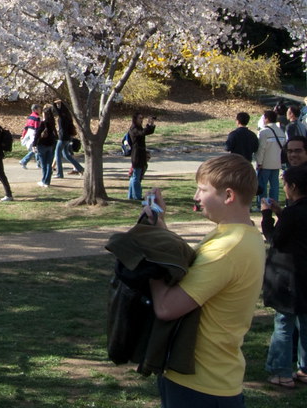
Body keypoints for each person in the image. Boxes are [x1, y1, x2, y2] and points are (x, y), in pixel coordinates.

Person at [143, 155, 265, 407]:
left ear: (228, 195)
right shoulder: (241, 235)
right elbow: (199, 270)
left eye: (203, 189)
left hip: (200, 384)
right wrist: (160, 224)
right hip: (215, 378)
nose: (196, 197)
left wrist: (153, 260)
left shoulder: (228, 248)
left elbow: (167, 308)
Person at [260, 164, 307, 388]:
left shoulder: (293, 213)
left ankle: (281, 372)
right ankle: (304, 368)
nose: (285, 188)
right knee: (305, 322)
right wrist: (281, 213)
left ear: (294, 187)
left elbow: (274, 238)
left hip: (290, 276)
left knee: (284, 323)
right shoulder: (294, 211)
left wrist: (266, 215)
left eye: (286, 184)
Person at [258, 109, 285, 208]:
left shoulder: (264, 132)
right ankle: (274, 203)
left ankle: (262, 204)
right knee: (275, 185)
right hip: (277, 162)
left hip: (265, 163)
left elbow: (261, 149)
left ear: (267, 119)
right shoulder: (281, 132)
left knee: (263, 185)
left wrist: (259, 162)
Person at [127, 112, 156, 201]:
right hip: (137, 155)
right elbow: (143, 133)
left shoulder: (138, 128)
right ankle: (137, 196)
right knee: (136, 176)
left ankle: (131, 196)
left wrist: (151, 123)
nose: (141, 120)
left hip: (140, 154)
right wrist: (148, 125)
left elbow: (148, 131)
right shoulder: (134, 128)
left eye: (142, 118)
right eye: (140, 118)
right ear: (135, 119)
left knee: (135, 176)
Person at [52, 99, 83, 177]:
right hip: (68, 137)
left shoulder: (62, 116)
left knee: (58, 154)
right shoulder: (68, 116)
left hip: (62, 138)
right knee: (66, 155)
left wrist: (54, 103)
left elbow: (56, 109)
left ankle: (60, 173)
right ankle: (80, 168)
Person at [34, 104, 58, 188]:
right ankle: (47, 181)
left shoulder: (43, 123)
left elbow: (37, 134)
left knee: (44, 164)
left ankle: (44, 180)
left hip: (42, 145)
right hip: (50, 145)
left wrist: (34, 144)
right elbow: (56, 135)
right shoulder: (52, 123)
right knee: (49, 164)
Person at [18, 104, 41, 168]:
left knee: (36, 148)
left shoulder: (30, 116)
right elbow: (37, 127)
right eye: (39, 109)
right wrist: (38, 134)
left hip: (29, 132)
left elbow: (26, 127)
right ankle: (24, 161)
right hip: (34, 133)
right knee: (35, 148)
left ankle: (38, 163)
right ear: (35, 110)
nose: (40, 110)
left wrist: (23, 135)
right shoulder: (37, 118)